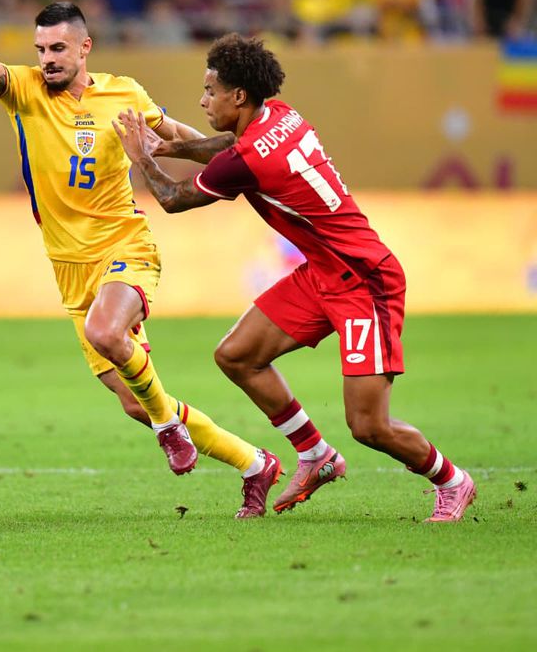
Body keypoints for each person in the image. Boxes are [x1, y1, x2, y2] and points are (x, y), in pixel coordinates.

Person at [0, 0, 281, 518]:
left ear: (85, 47)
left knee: (106, 334)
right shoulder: (23, 89)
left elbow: (182, 139)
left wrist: (240, 152)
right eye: (40, 49)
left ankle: (169, 428)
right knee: (135, 402)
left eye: (58, 48)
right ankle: (255, 464)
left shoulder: (124, 93)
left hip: (124, 246)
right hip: (68, 267)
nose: (47, 58)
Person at [114, 33, 475, 522]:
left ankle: (452, 481)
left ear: (238, 95)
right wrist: (172, 145)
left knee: (369, 426)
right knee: (237, 356)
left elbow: (175, 199)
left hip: (364, 282)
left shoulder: (250, 160)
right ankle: (315, 453)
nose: (202, 101)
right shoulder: (280, 115)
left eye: (210, 90)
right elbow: (230, 146)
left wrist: (142, 155)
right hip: (323, 271)